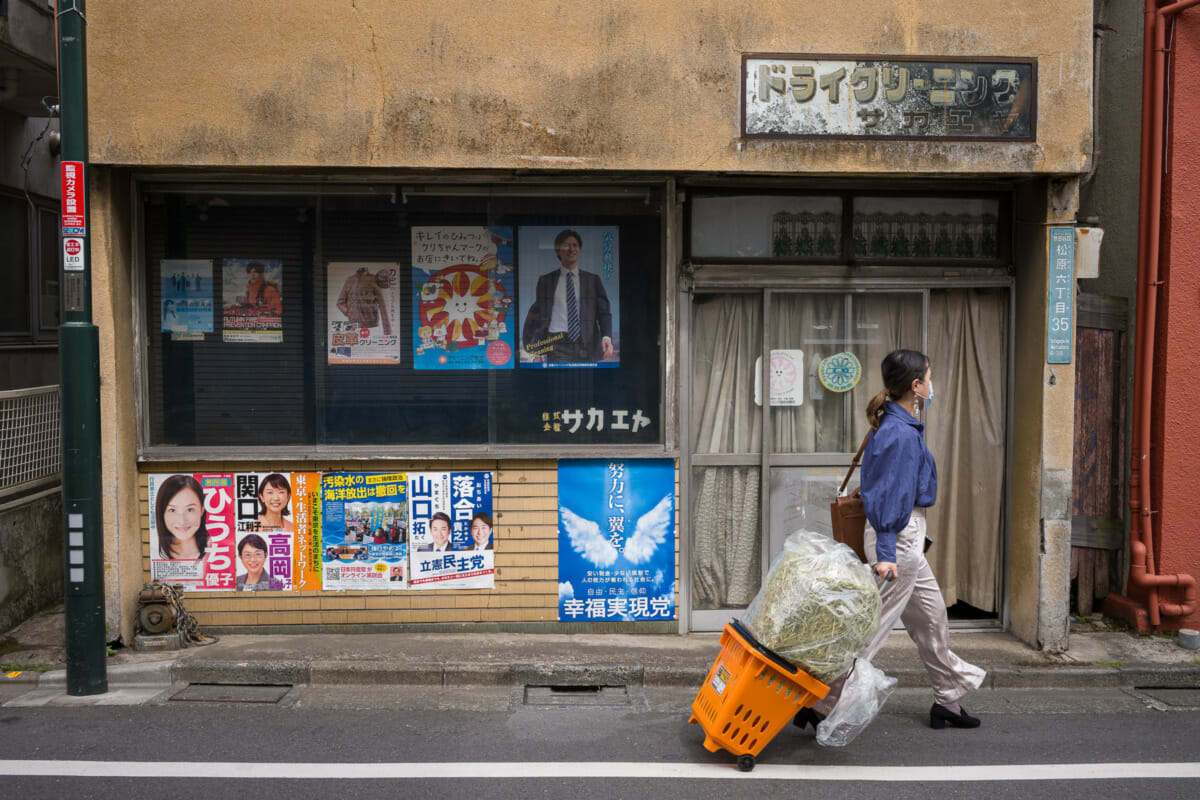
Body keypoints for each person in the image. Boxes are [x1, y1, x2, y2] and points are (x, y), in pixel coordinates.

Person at [798, 349, 985, 731]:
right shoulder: (899, 433)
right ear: (915, 386)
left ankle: (947, 699)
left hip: (904, 538)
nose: (932, 385)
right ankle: (818, 704)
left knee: (932, 619)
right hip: (897, 539)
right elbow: (885, 497)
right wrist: (886, 554)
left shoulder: (898, 425)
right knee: (870, 631)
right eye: (928, 379)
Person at [521, 229, 613, 363]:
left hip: (586, 341)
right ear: (558, 251)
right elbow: (541, 317)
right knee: (557, 379)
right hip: (556, 343)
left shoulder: (592, 280)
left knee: (586, 380)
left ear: (579, 250)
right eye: (566, 245)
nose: (571, 249)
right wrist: (538, 352)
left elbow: (604, 312)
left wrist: (606, 337)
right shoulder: (546, 281)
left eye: (575, 245)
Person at [155, 474, 209, 560]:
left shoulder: (215, 551)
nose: (182, 521)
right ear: (162, 513)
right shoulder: (157, 552)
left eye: (190, 509)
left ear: (202, 510)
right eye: (172, 510)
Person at [336, 266, 393, 335]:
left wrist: (388, 332)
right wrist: (349, 313)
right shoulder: (349, 280)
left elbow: (383, 306)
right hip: (353, 326)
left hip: (372, 327)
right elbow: (340, 302)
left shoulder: (373, 279)